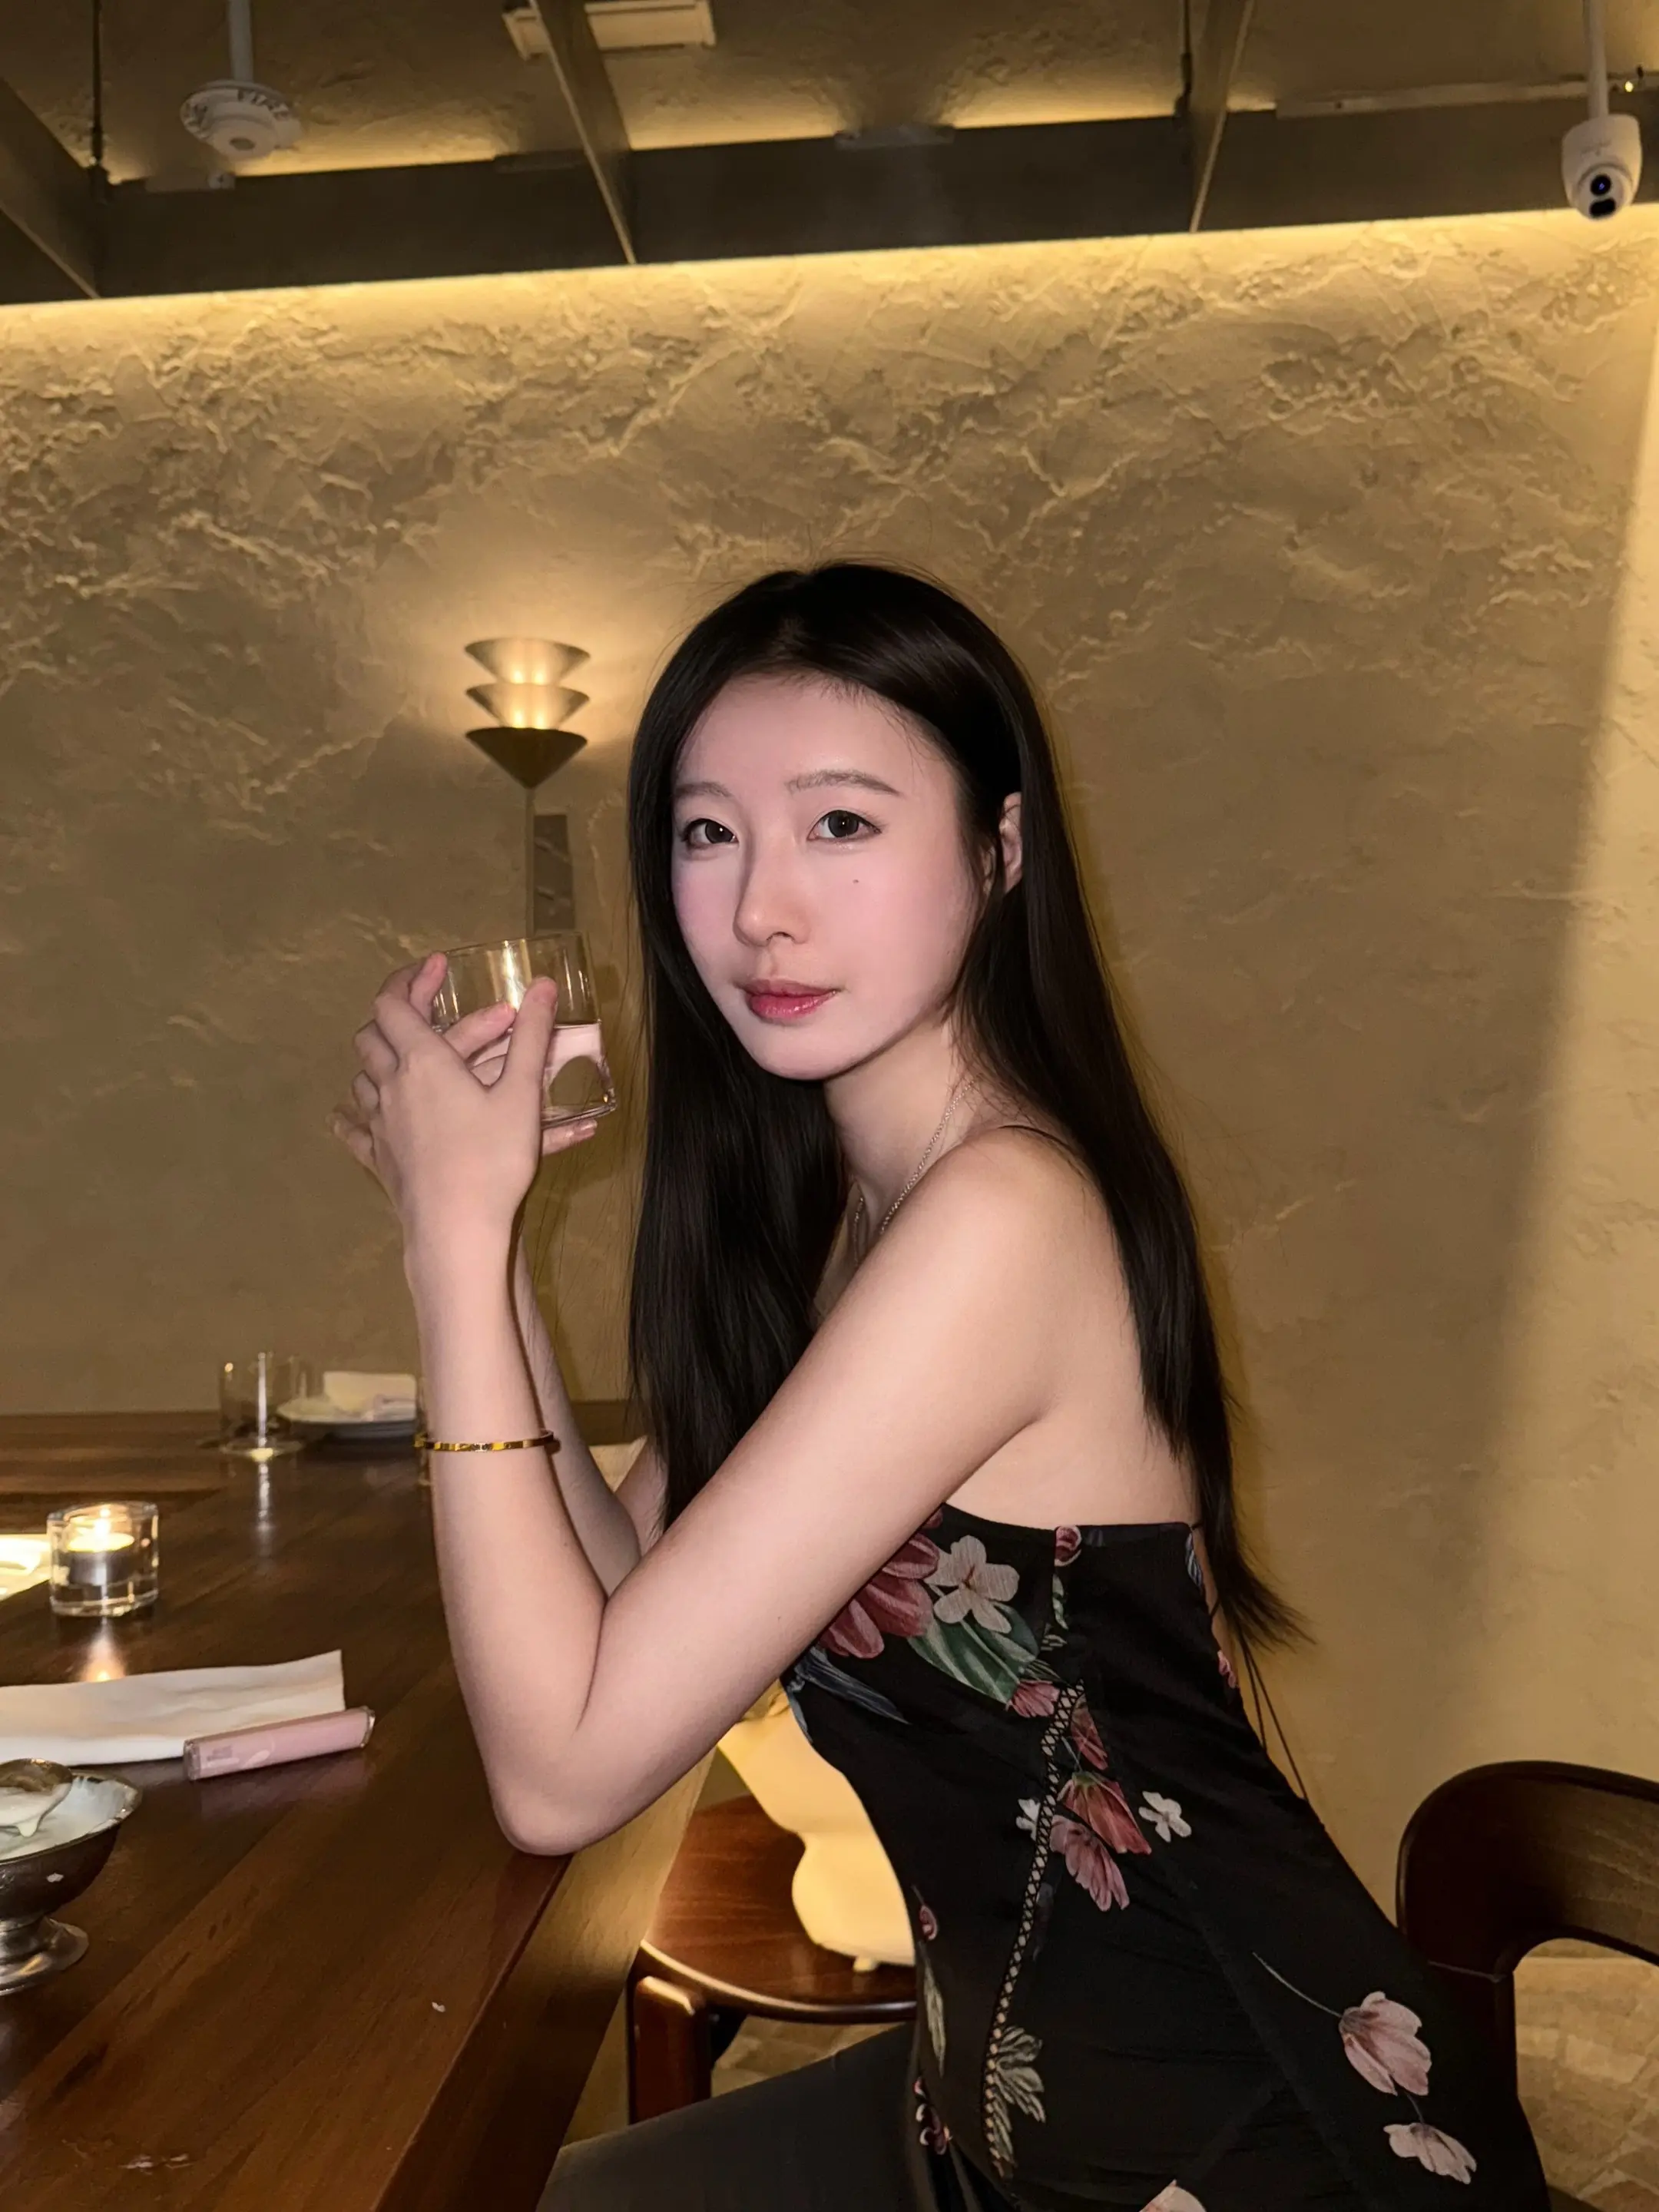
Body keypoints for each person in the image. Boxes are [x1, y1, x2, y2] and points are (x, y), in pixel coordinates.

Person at [331, 564, 1551, 2211]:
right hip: (995, 2105)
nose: (762, 909)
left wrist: (456, 1246)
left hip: (1238, 2139)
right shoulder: (849, 1221)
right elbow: (626, 1611)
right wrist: (470, 1258)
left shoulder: (1001, 1221)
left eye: (841, 823)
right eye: (708, 834)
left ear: (1000, 848)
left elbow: (561, 1774)